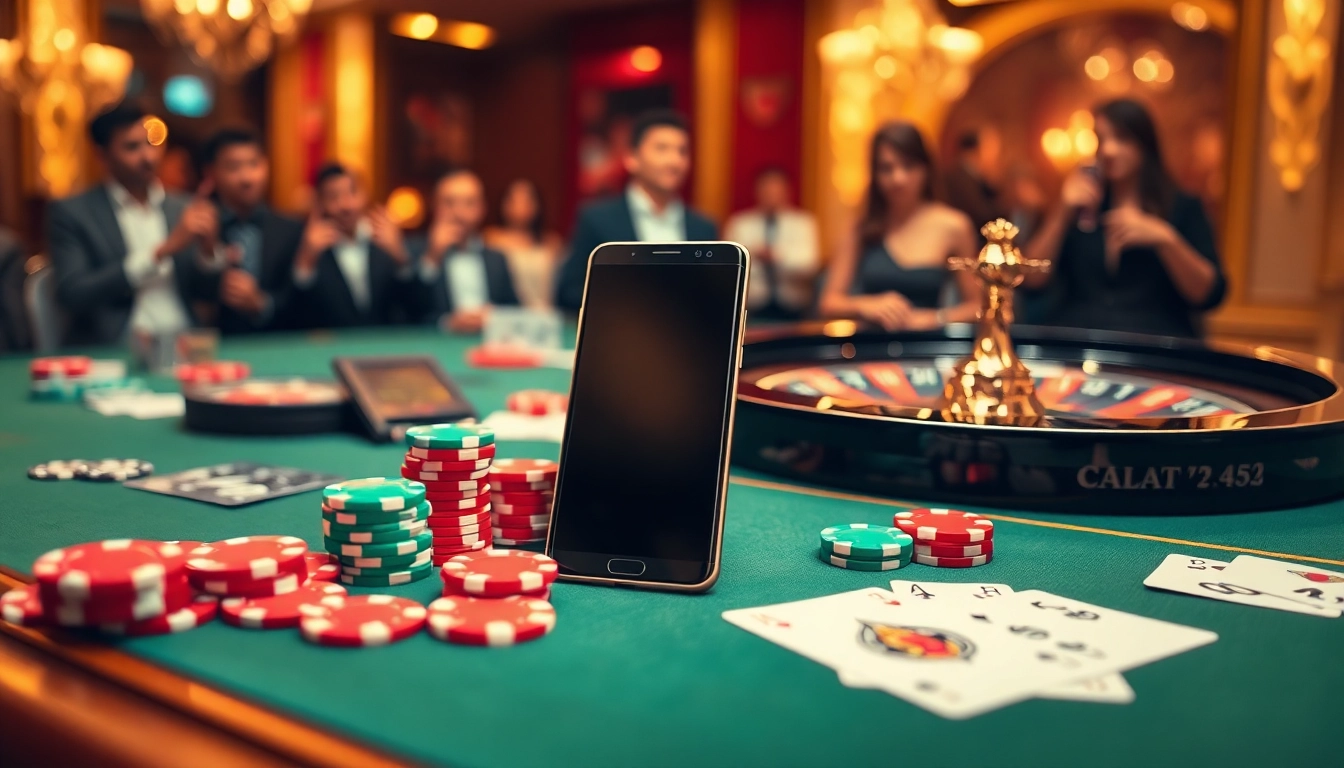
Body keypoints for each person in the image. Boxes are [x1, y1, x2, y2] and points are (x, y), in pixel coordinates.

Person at [1024, 98, 1225, 338]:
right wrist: (1061, 211)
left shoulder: (1182, 207)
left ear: (1144, 144)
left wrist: (1165, 239)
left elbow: (1208, 294)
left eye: (1121, 138)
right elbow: (1031, 280)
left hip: (1155, 347)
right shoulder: (1081, 206)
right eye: (1101, 139)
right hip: (1078, 343)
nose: (1108, 150)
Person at [46, 102, 218, 346]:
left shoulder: (182, 207)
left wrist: (209, 252)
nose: (148, 157)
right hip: (118, 345)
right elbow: (73, 293)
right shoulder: (75, 212)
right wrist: (160, 252)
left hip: (186, 342)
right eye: (132, 147)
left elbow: (208, 295)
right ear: (102, 155)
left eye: (151, 144)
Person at [817, 122, 980, 331]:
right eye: (887, 168)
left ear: (926, 168)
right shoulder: (861, 226)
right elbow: (829, 303)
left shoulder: (954, 226)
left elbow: (978, 307)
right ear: (874, 175)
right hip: (870, 348)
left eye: (908, 166)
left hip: (927, 348)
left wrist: (935, 318)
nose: (898, 178)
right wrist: (865, 305)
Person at [555, 109, 718, 310]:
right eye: (662, 148)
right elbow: (569, 291)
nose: (674, 161)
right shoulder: (597, 220)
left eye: (682, 151)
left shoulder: (702, 228)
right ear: (632, 158)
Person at [198, 128, 305, 334]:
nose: (247, 178)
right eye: (233, 167)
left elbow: (302, 302)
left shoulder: (291, 230)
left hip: (276, 345)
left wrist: (261, 303)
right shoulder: (200, 228)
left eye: (254, 164)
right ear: (210, 173)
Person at [291, 163, 419, 328]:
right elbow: (296, 316)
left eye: (352, 192)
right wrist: (306, 261)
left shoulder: (385, 240)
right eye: (333, 196)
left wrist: (401, 258)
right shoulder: (309, 246)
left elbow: (414, 309)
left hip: (383, 346)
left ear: (365, 194)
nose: (345, 205)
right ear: (320, 203)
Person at [418, 169, 520, 333]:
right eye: (449, 203)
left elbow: (515, 310)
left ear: (482, 209)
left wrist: (494, 316)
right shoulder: (419, 254)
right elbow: (407, 312)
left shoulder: (497, 259)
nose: (459, 212)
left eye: (469, 203)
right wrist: (432, 258)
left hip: (489, 345)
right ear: (435, 207)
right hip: (438, 346)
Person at [723, 166, 820, 320]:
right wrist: (755, 256)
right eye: (766, 188)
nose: (771, 194)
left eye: (776, 188)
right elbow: (730, 269)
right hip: (752, 307)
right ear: (756, 191)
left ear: (787, 191)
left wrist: (776, 256)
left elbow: (809, 265)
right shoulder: (739, 224)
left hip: (794, 307)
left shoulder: (803, 223)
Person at [483, 178, 562, 309]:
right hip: (507, 313)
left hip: (547, 312)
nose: (520, 206)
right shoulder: (490, 238)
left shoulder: (551, 241)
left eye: (527, 200)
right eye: (514, 200)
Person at [943, 128, 1006, 232]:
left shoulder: (976, 177)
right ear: (973, 150)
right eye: (989, 148)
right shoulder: (959, 179)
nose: (994, 155)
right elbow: (982, 218)